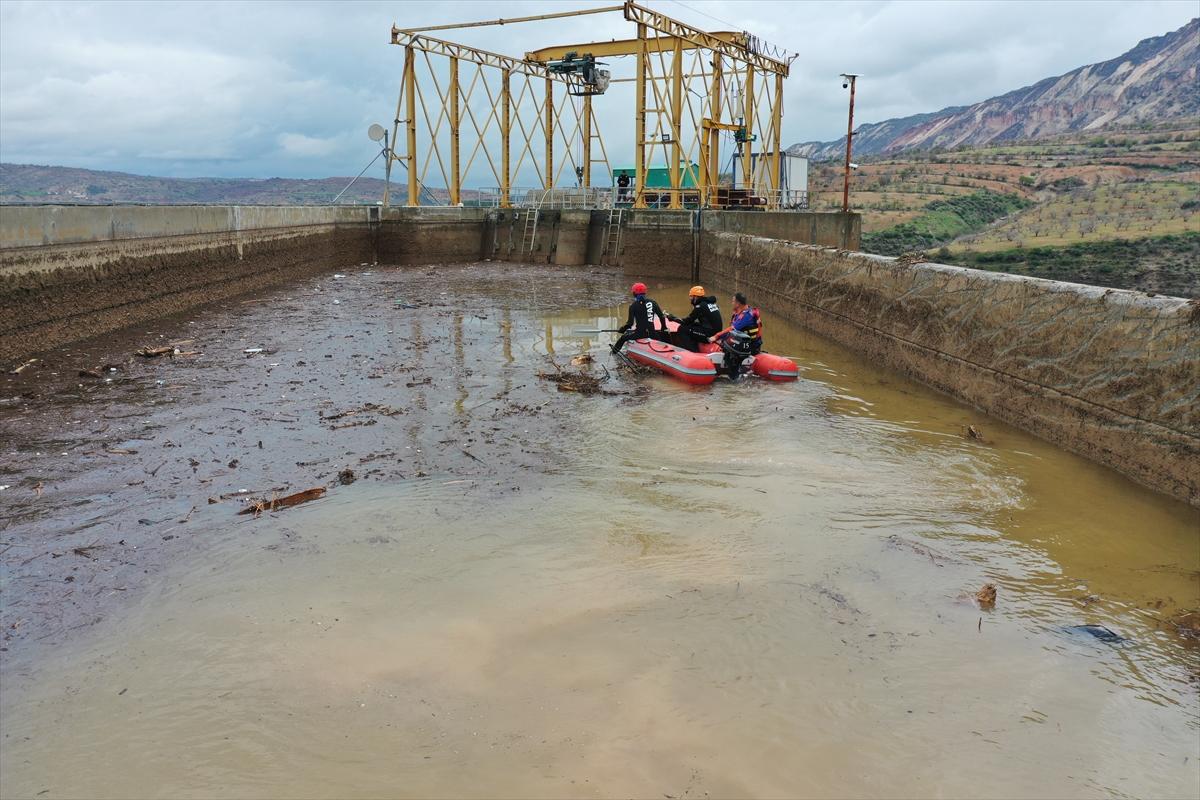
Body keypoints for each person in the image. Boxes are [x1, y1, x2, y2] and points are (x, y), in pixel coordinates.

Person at [611, 282, 668, 353]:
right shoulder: (653, 302)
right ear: (645, 292)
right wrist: (664, 327)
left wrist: (622, 329)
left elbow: (629, 324)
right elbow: (661, 317)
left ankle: (613, 352)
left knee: (623, 338)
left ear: (634, 293)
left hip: (640, 334)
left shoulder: (633, 306)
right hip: (653, 333)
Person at [667, 286, 722, 352]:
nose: (690, 298)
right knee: (693, 325)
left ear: (696, 297)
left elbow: (686, 321)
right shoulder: (710, 303)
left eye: (691, 296)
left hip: (710, 335)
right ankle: (695, 345)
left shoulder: (700, 306)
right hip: (716, 332)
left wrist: (673, 318)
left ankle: (692, 351)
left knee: (682, 329)